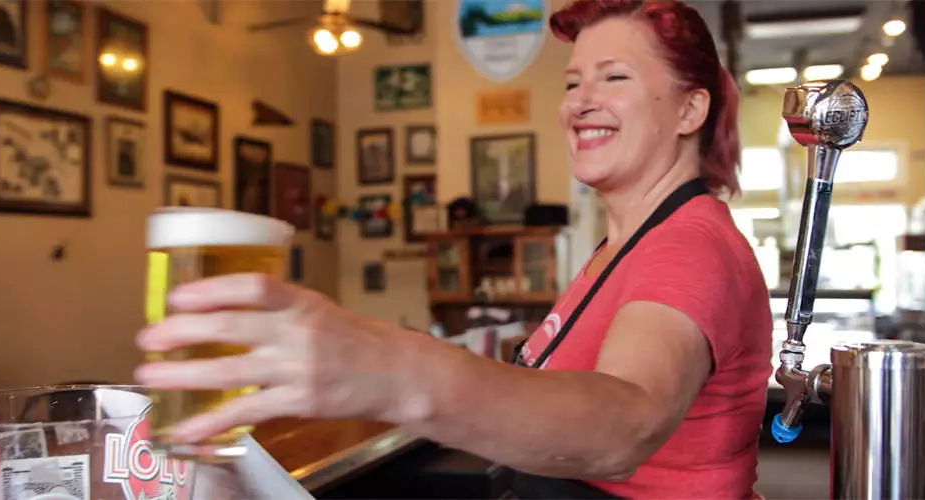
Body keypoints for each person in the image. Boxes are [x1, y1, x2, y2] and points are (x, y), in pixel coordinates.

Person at [134, 0, 773, 498]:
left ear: (691, 109)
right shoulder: (626, 244)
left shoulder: (690, 244)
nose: (581, 102)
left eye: (613, 78)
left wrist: (389, 368)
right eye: (573, 82)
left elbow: (625, 424)